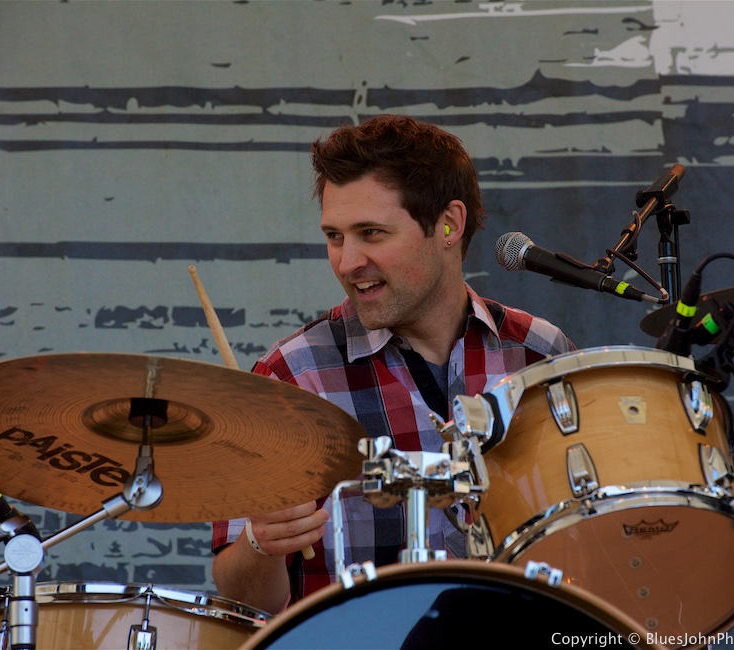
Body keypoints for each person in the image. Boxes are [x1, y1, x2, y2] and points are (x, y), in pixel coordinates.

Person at [211, 114, 574, 614]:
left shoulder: (540, 353)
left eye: (371, 233)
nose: (347, 262)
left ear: (449, 225)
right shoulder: (291, 377)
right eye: (335, 236)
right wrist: (261, 544)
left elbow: (591, 551)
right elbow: (241, 601)